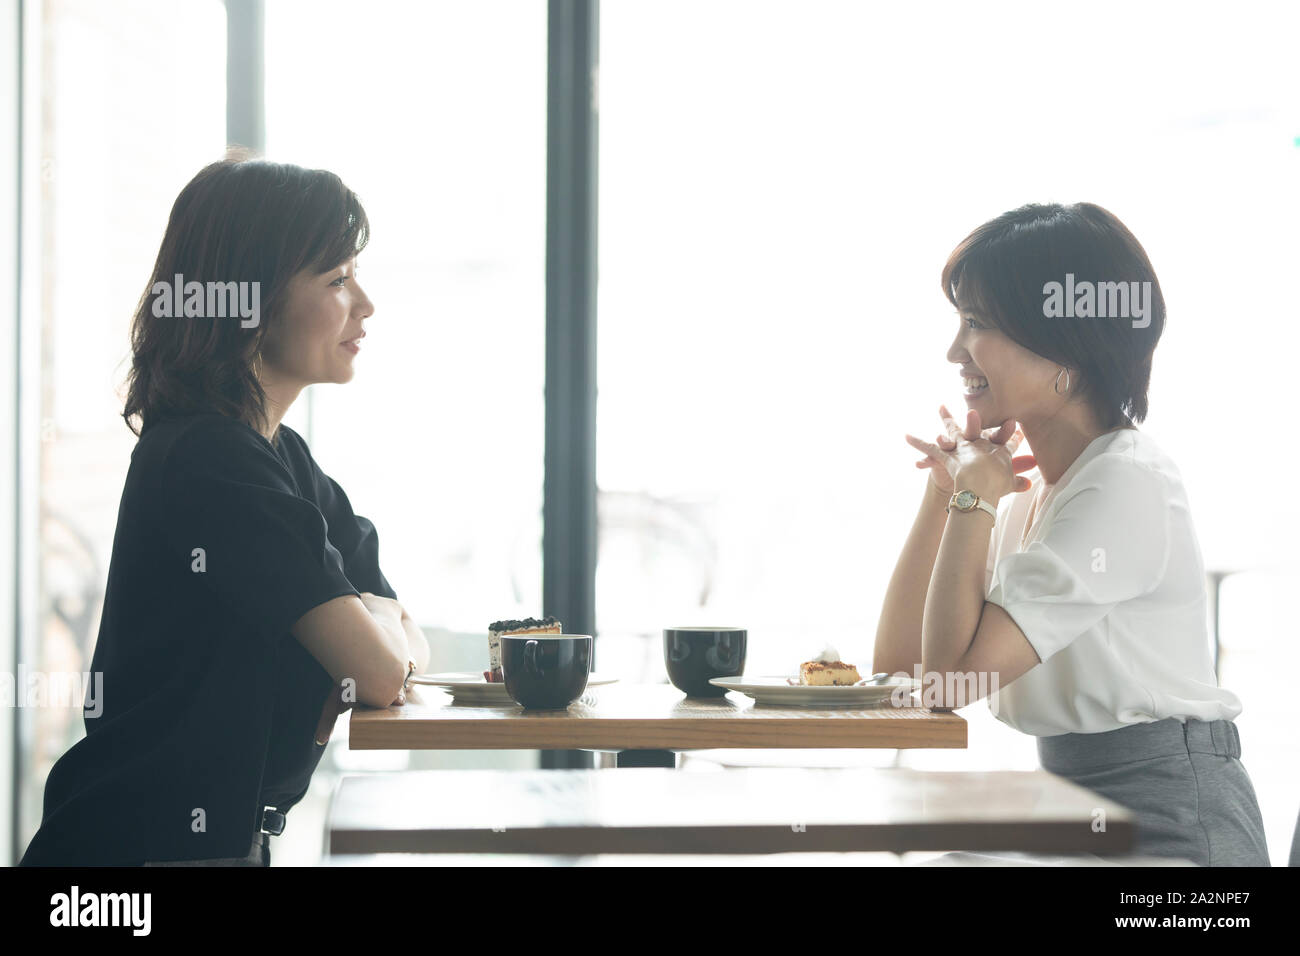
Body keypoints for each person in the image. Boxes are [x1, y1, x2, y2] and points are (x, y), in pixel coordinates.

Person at [19, 157, 428, 866]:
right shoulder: (212, 463)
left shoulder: (279, 457)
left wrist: (378, 621)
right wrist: (372, 626)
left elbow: (403, 636)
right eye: (335, 279)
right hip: (135, 859)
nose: (364, 304)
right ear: (251, 303)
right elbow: (383, 671)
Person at [874, 202, 1269, 866]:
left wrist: (971, 498)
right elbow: (900, 673)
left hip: (1174, 834)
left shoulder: (1125, 484)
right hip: (1070, 817)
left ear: (1066, 348)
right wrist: (945, 490)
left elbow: (947, 683)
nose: (953, 352)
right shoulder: (1035, 490)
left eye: (977, 323)